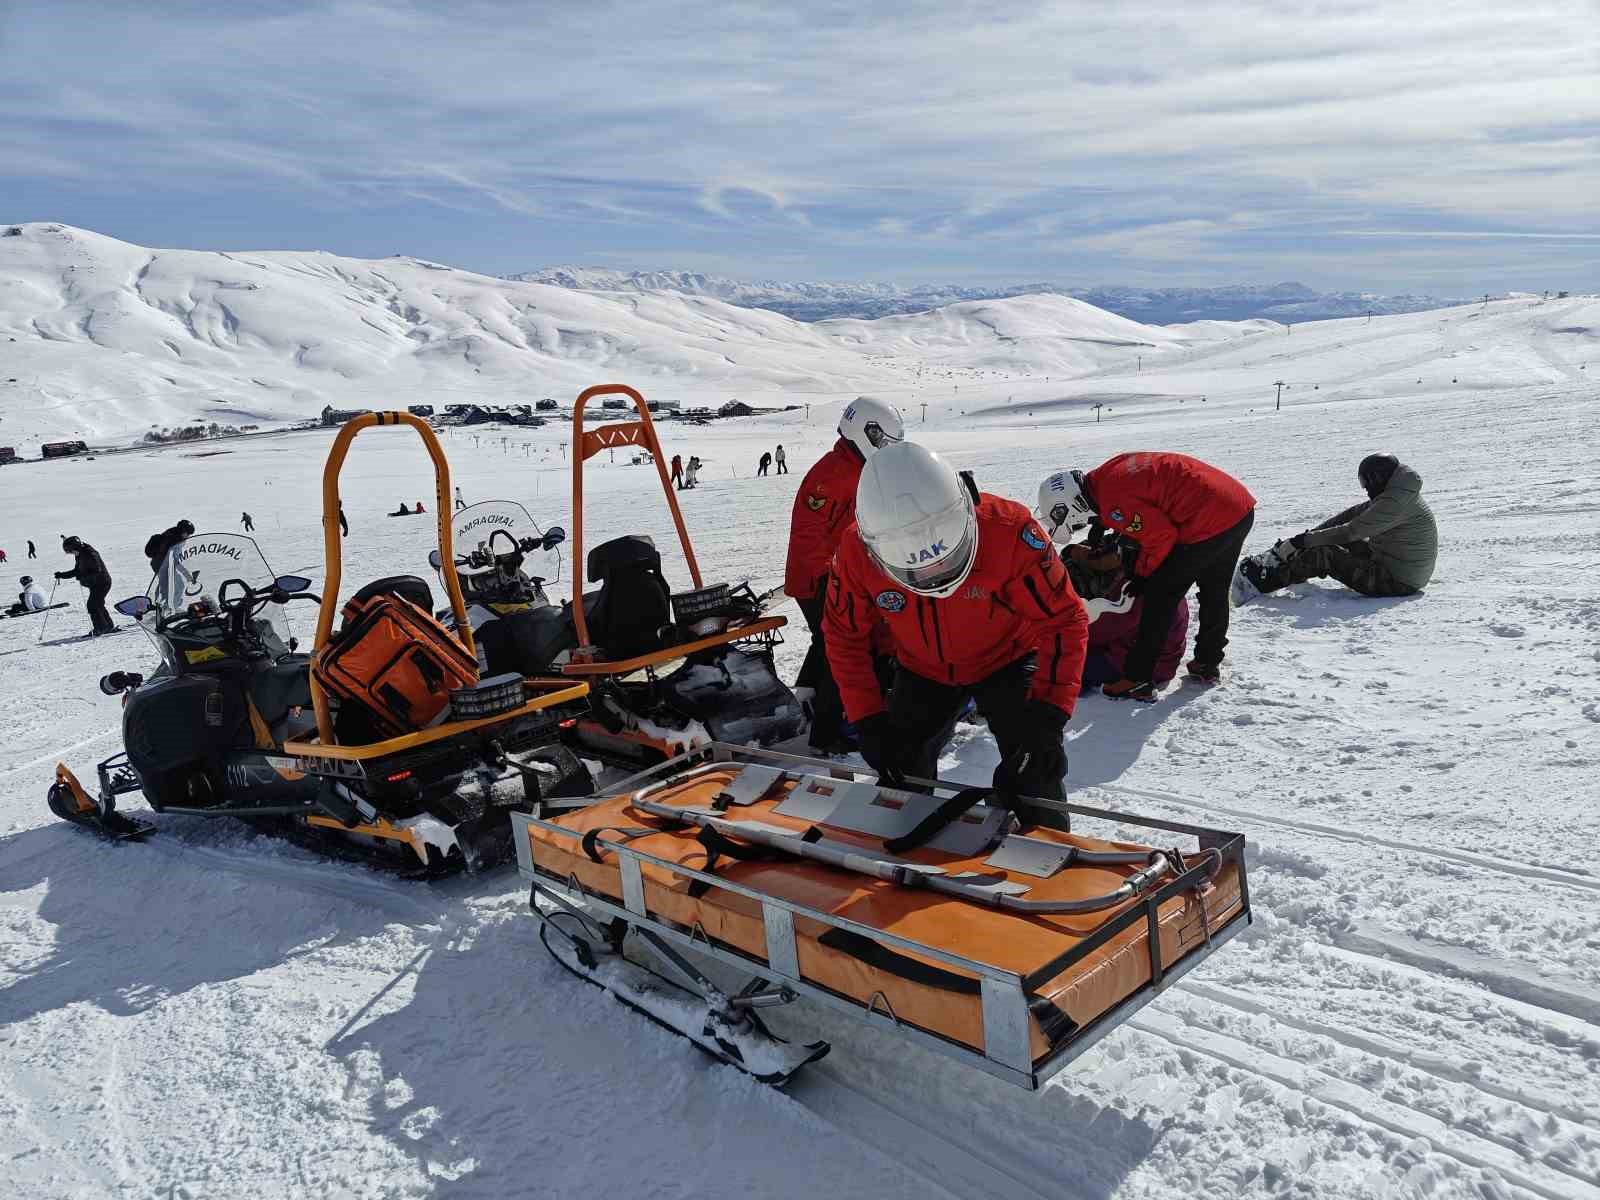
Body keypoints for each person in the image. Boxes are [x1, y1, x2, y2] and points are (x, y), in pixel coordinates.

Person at [825, 442, 1088, 800]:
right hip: (922, 670)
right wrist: (868, 719)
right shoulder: (855, 552)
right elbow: (844, 636)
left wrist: (1048, 717)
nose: (934, 576)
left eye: (946, 561)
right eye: (915, 571)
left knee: (1035, 768)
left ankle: (1050, 840)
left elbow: (1063, 619)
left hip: (1007, 658)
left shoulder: (1010, 530)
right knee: (900, 773)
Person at [1039, 453, 1254, 700]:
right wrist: (1102, 523)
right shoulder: (1103, 475)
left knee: (1160, 596)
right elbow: (1137, 498)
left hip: (1206, 518)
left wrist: (1142, 574)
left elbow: (1161, 536)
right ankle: (1207, 661)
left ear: (1070, 506)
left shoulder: (1113, 503)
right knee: (1213, 588)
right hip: (1236, 507)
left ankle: (1137, 679)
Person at [785, 395, 906, 751]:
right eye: (881, 439)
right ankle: (829, 733)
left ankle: (808, 697)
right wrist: (828, 580)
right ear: (864, 431)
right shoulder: (832, 474)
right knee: (843, 649)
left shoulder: (858, 468)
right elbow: (810, 536)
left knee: (827, 645)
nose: (884, 448)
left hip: (839, 575)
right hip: (817, 580)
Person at [1239, 454, 1437, 600]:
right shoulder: (1398, 492)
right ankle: (1291, 564)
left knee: (1326, 554)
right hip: (1394, 564)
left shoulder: (1394, 503)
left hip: (1396, 582)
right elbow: (1353, 514)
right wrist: (1306, 538)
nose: (1365, 488)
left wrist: (1302, 542)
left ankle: (1263, 582)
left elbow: (1350, 531)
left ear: (1378, 478)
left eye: (1365, 482)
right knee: (1329, 541)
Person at [1060, 532, 1188, 688]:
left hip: (1140, 665)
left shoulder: (1137, 589)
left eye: (1121, 554)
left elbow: (1101, 632)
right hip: (1163, 660)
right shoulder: (1166, 578)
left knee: (1058, 663)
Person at [55, 536, 115, 636]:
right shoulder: (80, 554)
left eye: (70, 551)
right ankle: (107, 626)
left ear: (75, 548)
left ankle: (101, 628)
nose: (71, 554)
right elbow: (77, 571)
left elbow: (97, 570)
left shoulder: (90, 553)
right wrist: (62, 575)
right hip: (95, 584)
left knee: (92, 605)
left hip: (102, 583)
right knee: (97, 604)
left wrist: (82, 576)